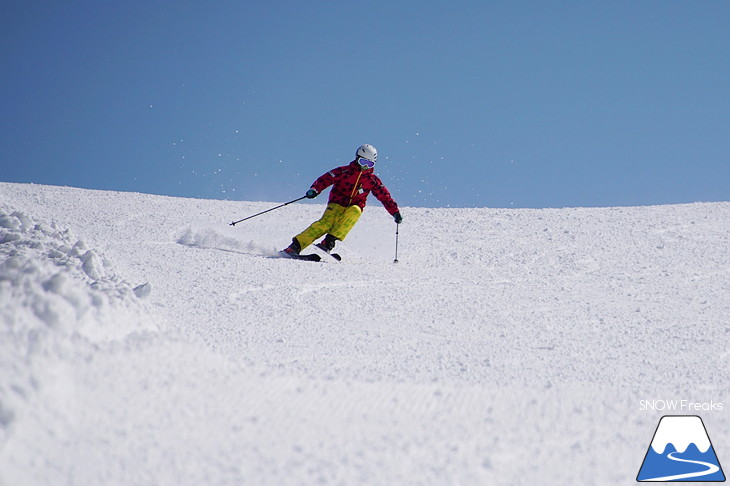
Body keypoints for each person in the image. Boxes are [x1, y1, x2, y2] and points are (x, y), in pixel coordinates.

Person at [281, 144, 402, 257]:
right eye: (363, 162)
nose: (365, 166)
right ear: (357, 158)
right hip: (337, 203)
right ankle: (295, 247)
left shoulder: (372, 180)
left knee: (355, 211)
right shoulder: (344, 171)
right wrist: (315, 189)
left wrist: (395, 212)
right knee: (325, 224)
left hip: (354, 205)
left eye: (369, 164)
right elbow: (325, 179)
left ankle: (328, 242)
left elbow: (385, 196)